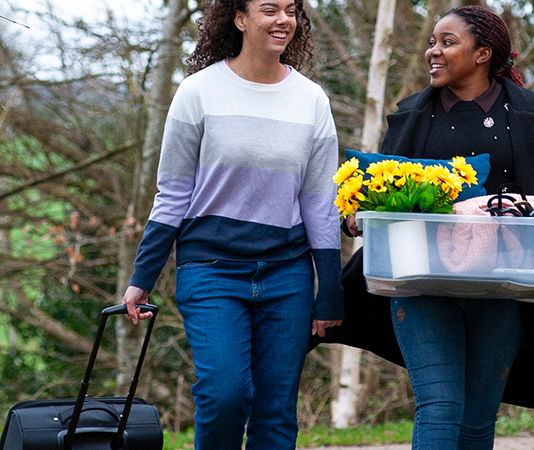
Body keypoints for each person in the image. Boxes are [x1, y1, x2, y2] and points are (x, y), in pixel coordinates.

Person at [328, 6, 534, 450]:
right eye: (433, 41)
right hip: (421, 281)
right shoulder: (411, 114)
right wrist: (355, 214)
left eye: (447, 42)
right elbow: (378, 192)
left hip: (501, 283)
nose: (433, 51)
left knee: (476, 415)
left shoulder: (529, 113)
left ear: (483, 53)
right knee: (440, 406)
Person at [119, 0, 342, 448]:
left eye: (292, 10)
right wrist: (142, 277)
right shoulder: (198, 92)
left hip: (288, 273)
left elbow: (319, 202)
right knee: (225, 395)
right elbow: (174, 192)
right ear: (240, 19)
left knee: (276, 409)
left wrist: (329, 289)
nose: (284, 20)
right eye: (270, 9)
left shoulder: (311, 99)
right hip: (212, 270)